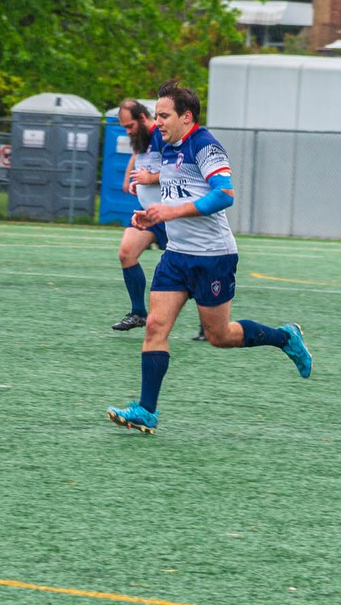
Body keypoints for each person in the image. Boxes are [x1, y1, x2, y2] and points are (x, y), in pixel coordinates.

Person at [106, 81, 311, 433]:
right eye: (156, 115)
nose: (159, 122)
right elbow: (172, 192)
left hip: (213, 257)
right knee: (155, 325)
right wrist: (151, 214)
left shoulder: (205, 145)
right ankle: (146, 409)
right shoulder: (166, 144)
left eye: (165, 115)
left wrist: (171, 214)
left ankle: (284, 337)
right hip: (176, 256)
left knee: (220, 335)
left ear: (187, 117)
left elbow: (224, 195)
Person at [110, 98, 164, 331]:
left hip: (171, 215)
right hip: (147, 214)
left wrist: (149, 179)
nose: (128, 131)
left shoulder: (164, 136)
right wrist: (133, 180)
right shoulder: (141, 137)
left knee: (189, 269)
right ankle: (138, 313)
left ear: (142, 118)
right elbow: (139, 158)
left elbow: (182, 172)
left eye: (129, 126)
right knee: (126, 253)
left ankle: (208, 320)